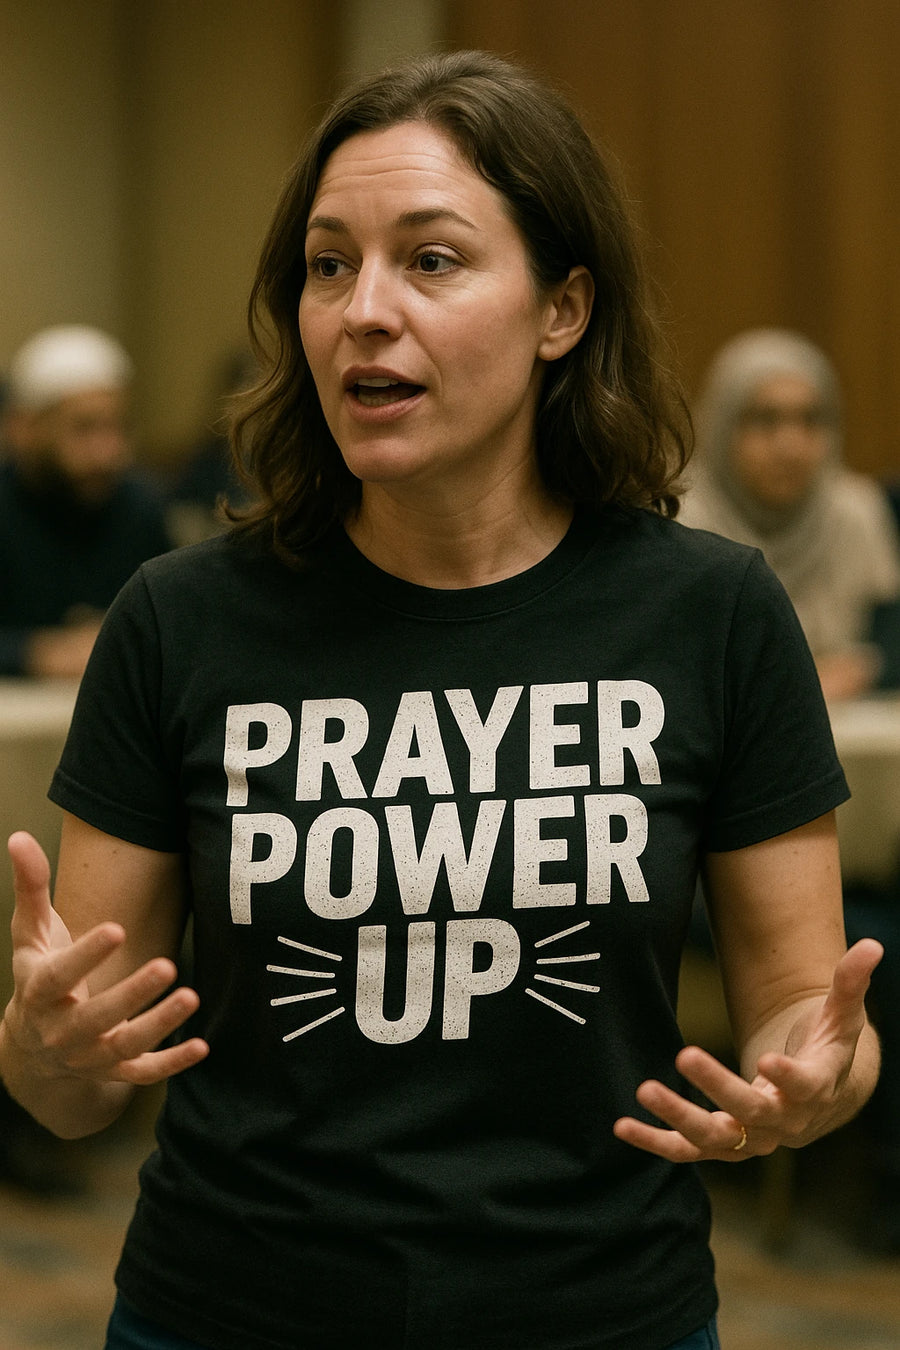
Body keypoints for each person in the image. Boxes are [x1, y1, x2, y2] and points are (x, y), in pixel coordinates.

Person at [0, 51, 882, 1350]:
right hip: (227, 1308)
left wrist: (818, 1082)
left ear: (562, 309)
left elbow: (811, 1021)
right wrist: (41, 1047)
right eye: (326, 263)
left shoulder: (712, 614)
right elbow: (66, 1085)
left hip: (598, 1312)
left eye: (431, 259)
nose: (362, 310)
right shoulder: (179, 621)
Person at [679, 329, 900, 701]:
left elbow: (890, 640)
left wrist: (864, 668)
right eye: (765, 420)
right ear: (721, 427)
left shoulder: (856, 511)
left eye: (810, 420)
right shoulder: (679, 521)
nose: (791, 446)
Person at [0, 324, 173, 678]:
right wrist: (34, 653)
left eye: (118, 427)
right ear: (25, 427)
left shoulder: (139, 507)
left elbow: (176, 621)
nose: (108, 452)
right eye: (84, 428)